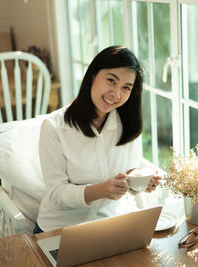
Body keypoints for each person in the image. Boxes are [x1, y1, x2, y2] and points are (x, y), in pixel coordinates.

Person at [34, 46, 159, 234]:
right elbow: (57, 193)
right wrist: (100, 190)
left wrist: (139, 180)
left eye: (126, 88)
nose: (116, 94)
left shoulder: (127, 125)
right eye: (111, 81)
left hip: (111, 224)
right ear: (92, 75)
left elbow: (129, 170)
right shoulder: (53, 128)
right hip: (61, 229)